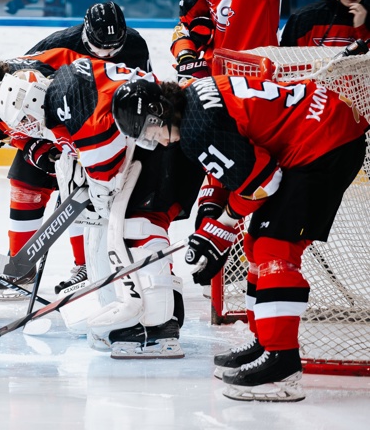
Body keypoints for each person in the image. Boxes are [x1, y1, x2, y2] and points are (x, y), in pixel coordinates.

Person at [111, 74, 369, 401]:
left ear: (157, 113)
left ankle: (282, 364)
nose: (158, 141)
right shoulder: (190, 99)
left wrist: (222, 224)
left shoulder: (194, 128)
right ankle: (266, 345)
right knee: (255, 245)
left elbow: (262, 181)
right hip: (316, 130)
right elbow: (231, 158)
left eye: (150, 131)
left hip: (324, 142)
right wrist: (210, 217)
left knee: (275, 247)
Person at [0, 60, 201, 358]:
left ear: (34, 98)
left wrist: (90, 192)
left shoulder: (90, 126)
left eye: (26, 118)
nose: (28, 126)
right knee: (125, 227)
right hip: (154, 127)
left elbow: (105, 190)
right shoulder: (63, 82)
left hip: (162, 141)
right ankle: (154, 308)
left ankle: (159, 325)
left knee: (138, 227)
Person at [0, 2, 151, 301]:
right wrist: (34, 148)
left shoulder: (47, 66)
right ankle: (22, 263)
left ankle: (88, 264)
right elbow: (15, 134)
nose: (105, 55)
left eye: (112, 48)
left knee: (80, 188)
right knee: (26, 180)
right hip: (52, 128)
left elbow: (135, 92)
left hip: (89, 123)